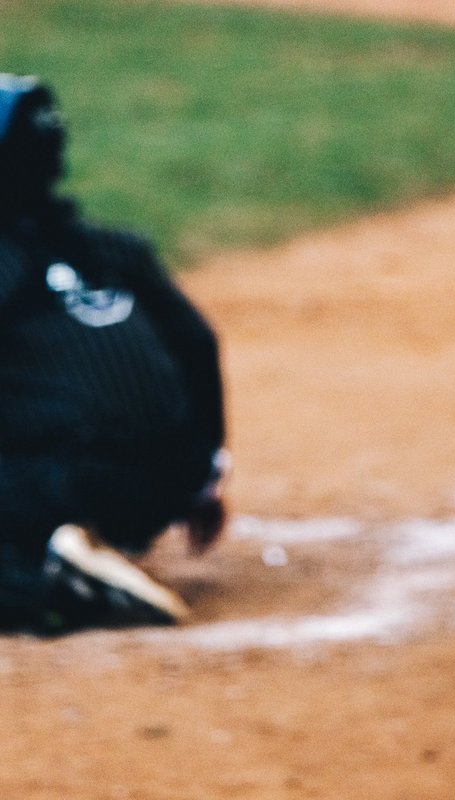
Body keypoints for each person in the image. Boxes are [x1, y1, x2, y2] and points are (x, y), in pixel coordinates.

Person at [0, 73, 228, 634]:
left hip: (69, 483)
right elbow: (199, 347)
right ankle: (78, 539)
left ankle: (51, 579)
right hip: (171, 484)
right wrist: (202, 476)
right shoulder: (117, 248)